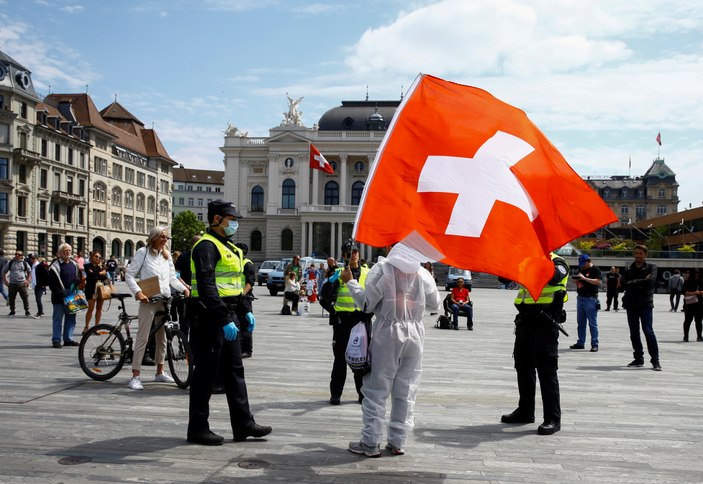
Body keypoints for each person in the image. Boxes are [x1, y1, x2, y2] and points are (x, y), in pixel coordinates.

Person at [186, 199, 271, 446]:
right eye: (230, 219)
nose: (234, 223)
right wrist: (224, 318)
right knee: (205, 375)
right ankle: (198, 429)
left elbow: (236, 284)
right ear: (216, 219)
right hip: (210, 318)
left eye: (235, 219)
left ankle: (244, 424)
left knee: (235, 372)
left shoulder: (229, 247)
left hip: (229, 315)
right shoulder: (205, 246)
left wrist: (244, 310)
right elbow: (207, 286)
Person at [343, 246, 440, 457]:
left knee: (376, 388)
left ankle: (370, 442)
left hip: (387, 332)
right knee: (406, 389)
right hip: (415, 332)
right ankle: (397, 441)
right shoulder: (422, 273)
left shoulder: (382, 269)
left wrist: (350, 282)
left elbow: (367, 304)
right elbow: (435, 305)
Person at [502, 252, 569, 435]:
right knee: (523, 368)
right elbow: (504, 279)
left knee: (547, 372)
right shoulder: (526, 259)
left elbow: (555, 277)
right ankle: (525, 411)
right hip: (525, 322)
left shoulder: (558, 262)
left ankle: (552, 418)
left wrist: (536, 263)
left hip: (545, 324)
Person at [125, 227, 189, 391]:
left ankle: (160, 371)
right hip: (148, 300)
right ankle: (135, 376)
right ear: (153, 237)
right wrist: (138, 292)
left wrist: (183, 289)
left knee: (162, 338)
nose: (165, 240)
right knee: (143, 337)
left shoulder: (166, 256)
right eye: (162, 237)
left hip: (164, 300)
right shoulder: (143, 252)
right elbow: (129, 274)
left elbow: (172, 278)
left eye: (166, 238)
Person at [328, 246, 371, 405]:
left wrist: (368, 314)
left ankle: (362, 394)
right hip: (343, 322)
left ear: (359, 254)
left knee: (362, 360)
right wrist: (335, 312)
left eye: (355, 252)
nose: (352, 255)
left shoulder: (368, 273)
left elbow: (374, 297)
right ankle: (336, 394)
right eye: (349, 253)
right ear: (343, 256)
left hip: (361, 320)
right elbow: (324, 297)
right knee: (339, 359)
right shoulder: (338, 274)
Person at [619, 245, 661, 371]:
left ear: (645, 255)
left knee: (648, 331)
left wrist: (633, 282)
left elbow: (650, 282)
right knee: (634, 333)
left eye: (640, 253)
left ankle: (655, 360)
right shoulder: (628, 268)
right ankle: (638, 358)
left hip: (645, 304)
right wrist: (640, 282)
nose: (638, 256)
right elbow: (623, 285)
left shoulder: (651, 267)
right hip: (631, 304)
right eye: (636, 253)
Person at [47, 243, 84, 348]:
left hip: (72, 294)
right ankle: (56, 340)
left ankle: (68, 339)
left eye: (69, 250)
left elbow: (79, 277)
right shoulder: (55, 265)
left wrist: (78, 280)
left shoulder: (74, 264)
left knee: (71, 318)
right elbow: (52, 283)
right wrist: (59, 292)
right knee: (58, 318)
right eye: (65, 250)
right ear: (60, 253)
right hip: (59, 295)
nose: (67, 252)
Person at [570, 254, 602, 352]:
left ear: (589, 261)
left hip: (591, 299)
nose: (582, 266)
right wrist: (576, 280)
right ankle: (581, 342)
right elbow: (578, 279)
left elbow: (598, 282)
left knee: (592, 323)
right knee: (581, 322)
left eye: (584, 263)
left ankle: (594, 344)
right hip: (580, 298)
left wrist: (584, 279)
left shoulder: (595, 269)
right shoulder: (581, 269)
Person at [174, 235, 200, 340]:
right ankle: (183, 345)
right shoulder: (184, 256)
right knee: (184, 321)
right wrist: (185, 286)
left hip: (198, 295)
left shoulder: (201, 256)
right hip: (185, 294)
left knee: (196, 322)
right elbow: (176, 274)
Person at [235, 242, 255, 358]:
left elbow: (250, 282)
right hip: (236, 297)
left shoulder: (247, 264)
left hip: (244, 298)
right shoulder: (237, 262)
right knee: (238, 324)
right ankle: (240, 348)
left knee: (246, 325)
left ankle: (247, 350)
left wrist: (243, 293)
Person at [82, 250, 109, 335]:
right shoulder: (87, 266)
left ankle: (96, 327)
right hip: (91, 289)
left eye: (99, 257)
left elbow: (104, 276)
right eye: (96, 256)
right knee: (91, 308)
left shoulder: (101, 266)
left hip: (101, 289)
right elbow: (91, 276)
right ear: (91, 257)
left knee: (99, 308)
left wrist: (98, 274)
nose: (98, 258)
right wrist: (100, 273)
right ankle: (86, 327)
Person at [2, 249, 32, 317]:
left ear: (22, 256)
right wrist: (5, 281)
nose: (17, 255)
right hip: (12, 284)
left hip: (22, 283)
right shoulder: (11, 263)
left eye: (19, 254)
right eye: (16, 254)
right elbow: (3, 272)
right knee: (11, 298)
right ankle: (12, 311)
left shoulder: (24, 263)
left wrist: (28, 281)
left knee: (25, 298)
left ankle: (27, 311)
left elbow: (29, 272)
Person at [682, 270, 703, 342]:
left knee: (699, 321)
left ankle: (699, 336)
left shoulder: (701, 282)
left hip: (699, 305)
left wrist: (701, 292)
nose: (696, 277)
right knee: (688, 321)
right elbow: (684, 292)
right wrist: (695, 293)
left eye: (698, 276)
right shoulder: (687, 282)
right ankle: (686, 336)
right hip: (689, 305)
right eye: (695, 276)